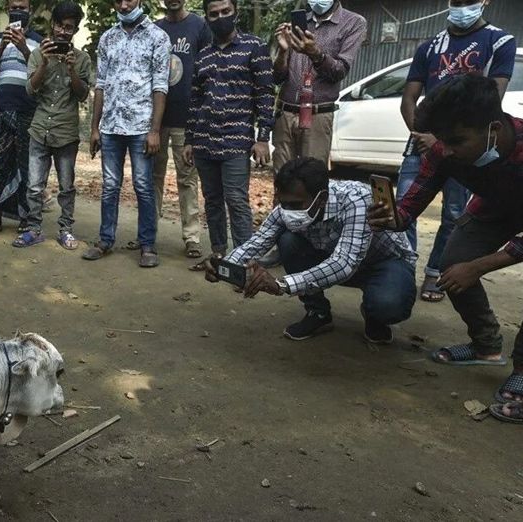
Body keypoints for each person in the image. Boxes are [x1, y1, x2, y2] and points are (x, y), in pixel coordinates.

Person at [367, 74, 523, 423]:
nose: (446, 150)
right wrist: (393, 217)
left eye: (456, 141)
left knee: (467, 267)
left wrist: (480, 266)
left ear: (493, 130)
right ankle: (486, 344)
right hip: (495, 207)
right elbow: (414, 200)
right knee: (452, 264)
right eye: (442, 141)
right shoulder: (445, 146)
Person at [207, 158, 416, 344]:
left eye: (295, 204)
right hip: (334, 259)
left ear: (322, 198)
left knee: (387, 304)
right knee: (288, 241)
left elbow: (344, 263)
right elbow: (257, 242)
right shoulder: (290, 203)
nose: (287, 211)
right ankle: (317, 312)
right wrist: (225, 265)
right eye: (283, 203)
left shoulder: (358, 200)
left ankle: (375, 316)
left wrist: (281, 285)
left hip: (384, 263)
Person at [397, 0, 514, 303]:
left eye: (468, 1)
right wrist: (426, 137)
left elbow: (491, 100)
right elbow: (409, 96)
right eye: (455, 2)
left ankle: (436, 273)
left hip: (471, 148)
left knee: (454, 215)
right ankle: (403, 272)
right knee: (407, 210)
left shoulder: (499, 41)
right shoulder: (430, 46)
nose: (461, 7)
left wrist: (477, 267)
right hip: (429, 142)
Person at [262, 0, 366, 267]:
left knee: (315, 184)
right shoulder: (300, 21)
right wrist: (283, 52)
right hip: (285, 111)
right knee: (282, 181)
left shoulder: (353, 23)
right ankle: (281, 244)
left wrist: (316, 52)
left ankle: (313, 247)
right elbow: (277, 77)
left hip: (319, 114)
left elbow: (339, 71)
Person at [183, 0, 274, 267]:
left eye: (226, 12)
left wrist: (262, 138)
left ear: (235, 12)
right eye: (214, 14)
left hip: (237, 140)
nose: (220, 17)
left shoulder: (255, 47)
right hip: (204, 141)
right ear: (207, 17)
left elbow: (265, 94)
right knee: (212, 200)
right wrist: (189, 139)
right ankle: (219, 254)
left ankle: (244, 262)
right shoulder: (204, 55)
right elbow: (195, 100)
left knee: (236, 199)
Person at [82, 0, 171, 268]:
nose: (123, 4)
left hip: (142, 128)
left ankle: (147, 244)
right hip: (111, 127)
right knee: (110, 186)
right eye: (118, 0)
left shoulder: (158, 37)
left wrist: (155, 130)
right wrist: (95, 128)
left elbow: (160, 86)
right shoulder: (108, 38)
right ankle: (105, 240)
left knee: (143, 186)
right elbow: (101, 85)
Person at [13, 1, 92, 250]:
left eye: (69, 28)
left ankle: (66, 230)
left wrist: (72, 71)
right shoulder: (38, 54)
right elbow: (30, 89)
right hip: (39, 129)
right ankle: (34, 229)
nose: (63, 32)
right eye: (60, 25)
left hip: (66, 132)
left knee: (67, 187)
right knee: (35, 186)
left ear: (75, 30)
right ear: (53, 25)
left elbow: (82, 95)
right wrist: (45, 63)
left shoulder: (81, 59)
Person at [151, 0, 212, 259]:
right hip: (156, 119)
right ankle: (148, 232)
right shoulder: (154, 29)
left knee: (187, 179)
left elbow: (208, 69)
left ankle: (192, 236)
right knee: (152, 177)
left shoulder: (200, 26)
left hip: (186, 120)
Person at [0, 0, 42, 233]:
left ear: (30, 11)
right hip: (3, 111)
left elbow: (41, 74)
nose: (18, 11)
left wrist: (24, 48)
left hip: (28, 111)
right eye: (14, 7)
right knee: (1, 163)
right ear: (8, 10)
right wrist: (2, 46)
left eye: (23, 8)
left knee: (26, 166)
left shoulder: (39, 40)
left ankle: (25, 216)